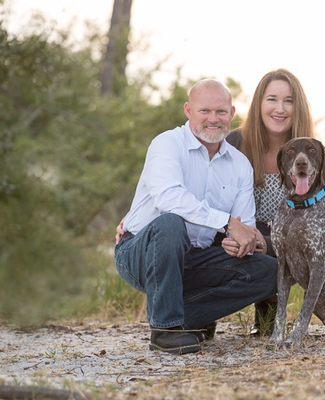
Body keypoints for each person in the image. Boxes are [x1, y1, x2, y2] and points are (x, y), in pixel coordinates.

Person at [114, 80, 277, 354]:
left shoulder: (239, 165)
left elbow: (244, 225)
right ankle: (166, 331)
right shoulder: (167, 144)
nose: (213, 119)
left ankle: (187, 317)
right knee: (170, 223)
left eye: (221, 112)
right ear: (188, 110)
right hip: (142, 252)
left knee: (268, 270)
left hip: (196, 258)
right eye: (205, 111)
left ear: (232, 113)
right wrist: (227, 224)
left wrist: (238, 242)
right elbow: (169, 199)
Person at [223, 69, 314, 335]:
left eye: (289, 101)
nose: (280, 108)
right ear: (259, 103)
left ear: (298, 108)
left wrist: (268, 242)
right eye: (272, 99)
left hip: (284, 237)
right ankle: (204, 316)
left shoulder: (308, 151)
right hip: (234, 229)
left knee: (275, 249)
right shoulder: (235, 142)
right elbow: (208, 192)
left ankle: (267, 317)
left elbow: (311, 215)